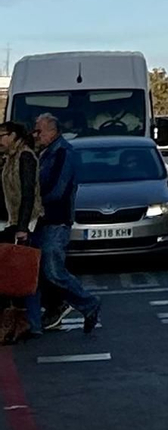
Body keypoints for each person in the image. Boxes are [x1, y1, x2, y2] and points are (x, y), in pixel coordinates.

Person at [31, 114, 99, 334]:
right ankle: (55, 307)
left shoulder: (63, 153)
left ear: (53, 131)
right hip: (42, 220)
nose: (35, 134)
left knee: (53, 270)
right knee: (42, 270)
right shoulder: (45, 152)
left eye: (39, 130)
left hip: (56, 219)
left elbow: (58, 189)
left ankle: (87, 303)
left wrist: (35, 202)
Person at [0, 120, 45, 340]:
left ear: (14, 136)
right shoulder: (9, 158)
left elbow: (28, 193)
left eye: (2, 136)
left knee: (24, 273)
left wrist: (23, 227)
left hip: (27, 222)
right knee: (17, 272)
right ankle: (26, 321)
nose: (0, 140)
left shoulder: (25, 157)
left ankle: (29, 322)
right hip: (13, 220)